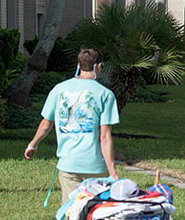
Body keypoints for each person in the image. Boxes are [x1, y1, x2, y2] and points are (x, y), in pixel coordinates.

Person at [24, 47, 119, 204]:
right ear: (99, 66)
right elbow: (105, 137)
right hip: (95, 166)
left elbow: (46, 124)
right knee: (95, 212)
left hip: (69, 164)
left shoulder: (59, 90)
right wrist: (113, 172)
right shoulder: (105, 95)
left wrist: (32, 145)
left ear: (79, 65)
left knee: (71, 211)